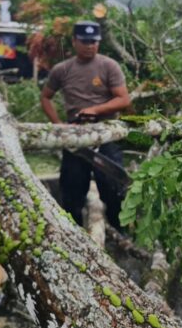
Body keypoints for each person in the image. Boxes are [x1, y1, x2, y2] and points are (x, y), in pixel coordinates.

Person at [40, 20, 131, 229]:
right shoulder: (62, 70)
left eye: (94, 41)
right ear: (74, 42)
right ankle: (75, 235)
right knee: (72, 191)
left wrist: (95, 110)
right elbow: (46, 97)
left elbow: (123, 99)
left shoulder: (109, 66)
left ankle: (121, 233)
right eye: (85, 41)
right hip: (76, 136)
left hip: (106, 134)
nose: (90, 45)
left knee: (114, 188)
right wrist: (58, 125)